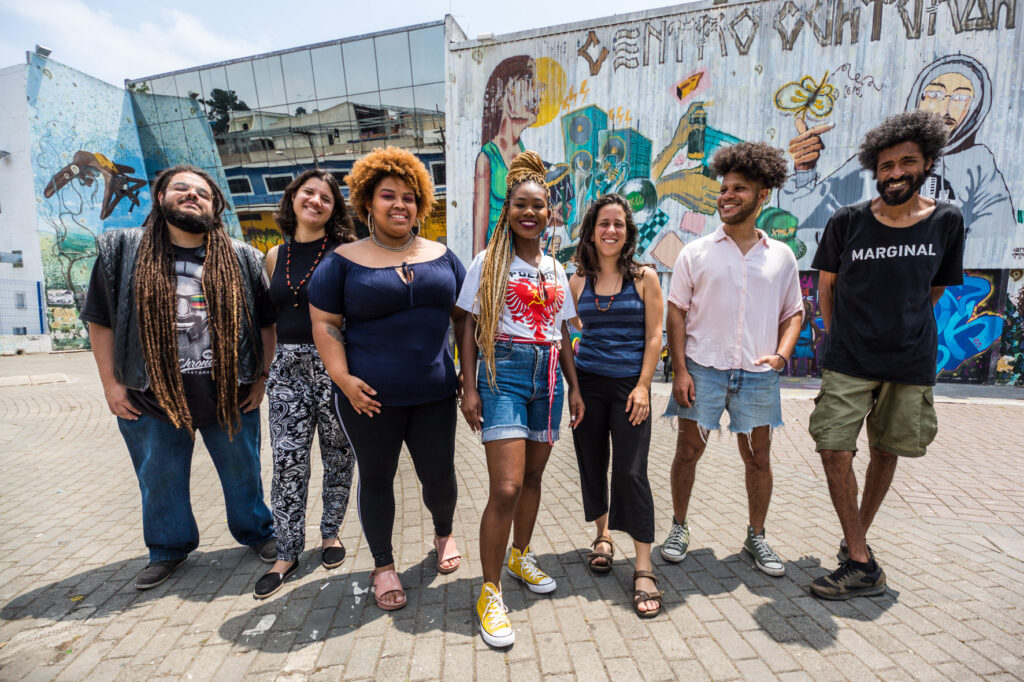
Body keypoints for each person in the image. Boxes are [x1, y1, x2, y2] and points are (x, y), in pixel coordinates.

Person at [80, 165, 276, 590]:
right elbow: (100, 321)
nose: (192, 196)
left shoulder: (242, 256)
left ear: (215, 205)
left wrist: (260, 377)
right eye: (181, 189)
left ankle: (258, 533)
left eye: (202, 192)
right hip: (150, 396)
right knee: (159, 477)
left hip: (229, 393)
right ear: (160, 198)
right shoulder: (123, 250)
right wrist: (112, 386)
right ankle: (168, 549)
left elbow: (265, 324)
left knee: (244, 470)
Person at [808, 111, 964, 600]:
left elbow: (935, 289)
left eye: (907, 163)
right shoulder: (847, 221)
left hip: (909, 362)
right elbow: (826, 286)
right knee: (834, 449)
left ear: (928, 163)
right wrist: (838, 338)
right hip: (849, 359)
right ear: (874, 169)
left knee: (884, 454)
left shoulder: (947, 220)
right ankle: (860, 558)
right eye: (886, 165)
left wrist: (902, 327)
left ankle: (857, 546)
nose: (895, 172)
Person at [309, 147, 466, 612]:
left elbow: (465, 319)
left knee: (439, 475)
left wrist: (468, 378)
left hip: (436, 395)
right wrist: (343, 379)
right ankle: (382, 565)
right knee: (376, 479)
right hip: (368, 399)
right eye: (388, 196)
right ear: (367, 202)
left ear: (421, 205)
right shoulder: (343, 260)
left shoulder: (443, 256)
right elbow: (325, 325)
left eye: (410, 197)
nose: (400, 205)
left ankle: (443, 534)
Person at [457, 150, 584, 648]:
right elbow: (465, 321)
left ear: (551, 213)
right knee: (506, 487)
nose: (531, 213)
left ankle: (520, 553)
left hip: (549, 376)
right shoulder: (489, 263)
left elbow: (563, 331)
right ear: (506, 210)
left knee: (532, 477)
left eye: (540, 206)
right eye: (521, 205)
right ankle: (490, 591)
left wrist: (575, 387)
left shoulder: (555, 267)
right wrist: (468, 387)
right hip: (502, 374)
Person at [660, 142, 803, 577]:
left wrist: (781, 355)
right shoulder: (695, 252)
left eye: (740, 189)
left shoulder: (781, 257)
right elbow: (676, 311)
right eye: (724, 188)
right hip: (702, 370)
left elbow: (794, 312)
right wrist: (680, 369)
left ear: (763, 196)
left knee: (758, 459)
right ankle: (679, 526)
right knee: (688, 452)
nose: (727, 196)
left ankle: (756, 536)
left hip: (758, 375)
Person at [779, 53, 1013, 268]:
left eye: (961, 97)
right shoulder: (876, 161)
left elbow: (997, 231)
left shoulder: (978, 162)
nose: (946, 108)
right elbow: (801, 216)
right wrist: (804, 171)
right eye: (935, 94)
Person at [253, 170, 357, 599]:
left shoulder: (346, 252)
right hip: (287, 369)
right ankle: (288, 549)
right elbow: (268, 321)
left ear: (335, 208)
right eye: (308, 193)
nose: (315, 201)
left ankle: (330, 534)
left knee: (338, 456)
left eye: (326, 197)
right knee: (287, 461)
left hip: (333, 365)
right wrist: (265, 371)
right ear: (292, 197)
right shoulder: (275, 255)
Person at [568, 193, 664, 618]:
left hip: (629, 388)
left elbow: (655, 337)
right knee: (592, 464)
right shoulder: (577, 281)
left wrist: (643, 386)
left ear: (628, 232)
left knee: (630, 471)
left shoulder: (645, 277)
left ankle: (643, 566)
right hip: (587, 386)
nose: (610, 230)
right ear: (591, 230)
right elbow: (567, 338)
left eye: (619, 224)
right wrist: (572, 387)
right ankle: (602, 536)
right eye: (603, 223)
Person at [473, 56, 538, 254]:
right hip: (497, 268)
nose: (536, 95)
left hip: (525, 266)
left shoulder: (527, 157)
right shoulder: (488, 158)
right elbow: (479, 235)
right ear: (505, 95)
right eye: (527, 82)